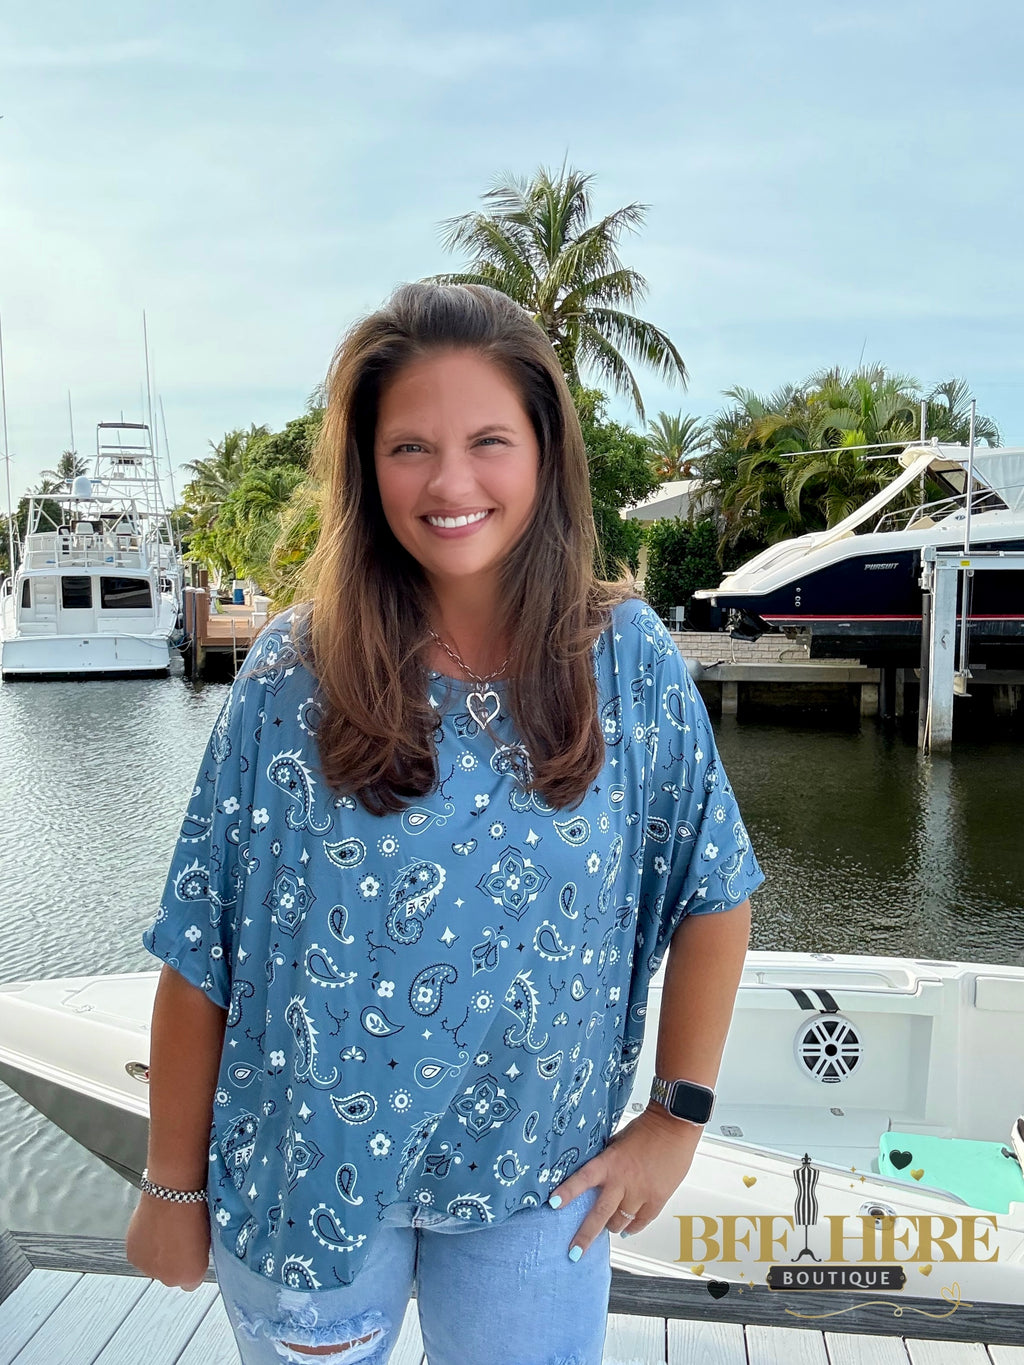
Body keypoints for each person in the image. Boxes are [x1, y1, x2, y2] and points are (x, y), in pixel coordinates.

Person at [126, 282, 763, 1365]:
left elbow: (715, 891)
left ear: (546, 454)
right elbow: (204, 949)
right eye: (409, 447)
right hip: (304, 1185)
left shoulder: (626, 659)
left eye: (488, 441)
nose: (452, 482)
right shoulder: (294, 672)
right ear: (367, 471)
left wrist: (677, 1119)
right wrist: (170, 1186)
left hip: (537, 1181)